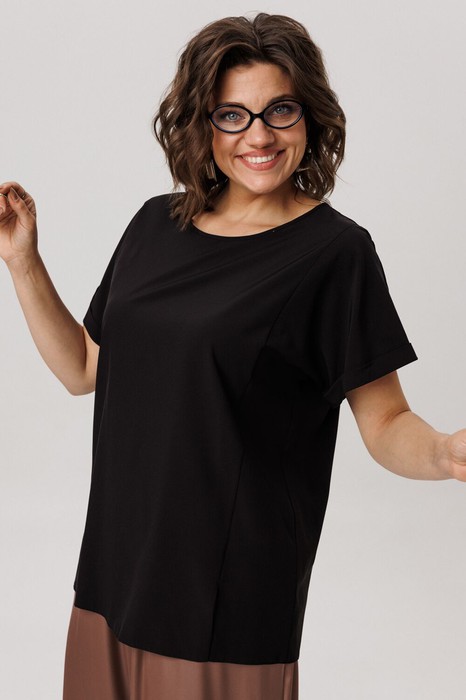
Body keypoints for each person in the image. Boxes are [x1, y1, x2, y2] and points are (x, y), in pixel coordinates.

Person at [1, 12, 465, 700]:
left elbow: (386, 421)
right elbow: (83, 368)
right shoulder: (154, 224)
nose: (259, 136)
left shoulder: (335, 254)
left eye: (280, 110)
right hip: (113, 583)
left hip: (224, 606)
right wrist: (22, 261)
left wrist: (448, 454)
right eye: (232, 115)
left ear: (309, 116)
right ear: (203, 125)